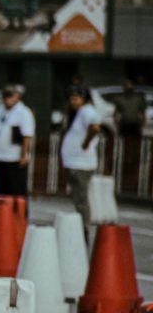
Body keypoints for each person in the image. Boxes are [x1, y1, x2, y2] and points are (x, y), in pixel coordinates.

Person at [60, 86, 101, 226]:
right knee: (77, 197)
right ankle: (81, 224)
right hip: (74, 162)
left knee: (81, 198)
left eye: (76, 99)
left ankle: (84, 227)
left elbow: (95, 127)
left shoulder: (88, 111)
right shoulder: (79, 113)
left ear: (84, 99)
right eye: (71, 98)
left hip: (82, 164)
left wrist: (86, 142)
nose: (72, 102)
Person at [0, 83, 35, 198]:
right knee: (0, 190)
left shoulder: (23, 112)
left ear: (17, 97)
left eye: (10, 96)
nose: (7, 99)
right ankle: (2, 215)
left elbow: (27, 136)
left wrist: (24, 155)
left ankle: (18, 215)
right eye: (5, 96)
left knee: (16, 190)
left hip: (14, 157)